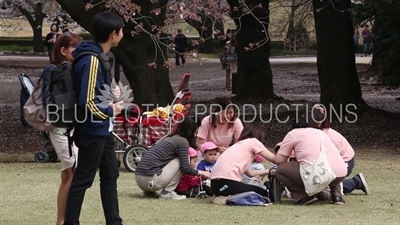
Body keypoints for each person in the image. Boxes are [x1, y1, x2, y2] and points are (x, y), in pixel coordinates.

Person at [63, 11, 125, 225]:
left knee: (110, 175)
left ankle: (114, 221)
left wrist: (111, 92)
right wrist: (111, 110)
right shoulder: (91, 60)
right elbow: (87, 102)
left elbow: (95, 91)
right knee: (83, 179)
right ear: (113, 34)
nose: (122, 34)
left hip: (102, 129)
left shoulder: (98, 56)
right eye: (121, 31)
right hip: (92, 129)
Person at [40, 32, 82, 225]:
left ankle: (65, 219)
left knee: (68, 174)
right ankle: (62, 220)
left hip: (73, 126)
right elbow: (48, 98)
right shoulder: (53, 70)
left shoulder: (76, 69)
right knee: (70, 173)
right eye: (74, 47)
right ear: (63, 51)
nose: (78, 51)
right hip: (59, 127)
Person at [275, 105, 348, 205]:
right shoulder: (322, 133)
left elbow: (279, 160)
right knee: (329, 163)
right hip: (340, 174)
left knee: (280, 170)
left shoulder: (294, 133)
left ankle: (303, 197)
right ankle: (337, 196)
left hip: (318, 175)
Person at [135, 116, 211, 200]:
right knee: (184, 160)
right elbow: (185, 167)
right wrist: (202, 173)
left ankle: (149, 192)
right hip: (151, 181)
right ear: (190, 131)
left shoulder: (169, 138)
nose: (196, 135)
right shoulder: (182, 141)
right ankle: (167, 192)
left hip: (139, 180)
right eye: (196, 132)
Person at [210, 122, 275, 198]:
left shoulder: (238, 146)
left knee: (255, 190)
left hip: (215, 186)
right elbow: (275, 159)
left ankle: (224, 197)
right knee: (263, 193)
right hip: (227, 183)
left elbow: (250, 173)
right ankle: (228, 198)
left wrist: (269, 171)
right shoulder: (253, 141)